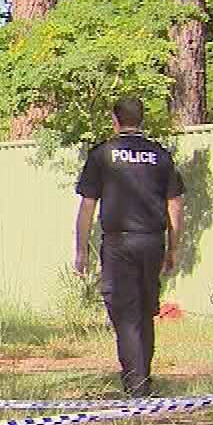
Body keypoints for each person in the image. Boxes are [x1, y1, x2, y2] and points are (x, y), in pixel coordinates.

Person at [74, 96, 185, 398]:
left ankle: (135, 382)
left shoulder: (103, 155)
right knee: (144, 311)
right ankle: (141, 376)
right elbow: (174, 205)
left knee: (125, 312)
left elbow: (87, 206)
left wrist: (81, 250)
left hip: (119, 242)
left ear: (116, 120)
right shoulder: (161, 155)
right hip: (152, 241)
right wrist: (173, 248)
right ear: (143, 119)